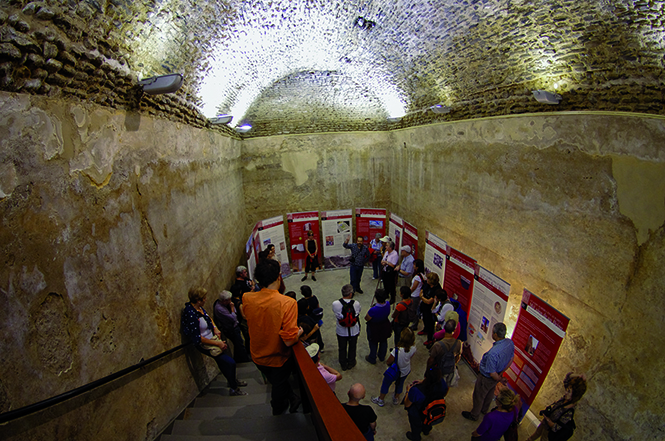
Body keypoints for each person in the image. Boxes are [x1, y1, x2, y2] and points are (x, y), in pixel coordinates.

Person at [243, 258, 303, 415]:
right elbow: (290, 340)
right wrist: (300, 332)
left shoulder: (247, 298)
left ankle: (292, 397)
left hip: (257, 354)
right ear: (279, 276)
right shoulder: (287, 303)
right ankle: (278, 409)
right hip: (277, 357)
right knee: (278, 385)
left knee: (277, 381)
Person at [181, 287, 248, 396]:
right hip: (206, 343)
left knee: (222, 362)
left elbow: (208, 318)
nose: (206, 300)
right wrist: (218, 343)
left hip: (213, 338)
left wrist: (215, 328)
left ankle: (232, 381)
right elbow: (197, 337)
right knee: (230, 363)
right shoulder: (190, 313)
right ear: (198, 300)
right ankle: (234, 388)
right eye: (204, 298)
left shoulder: (199, 308)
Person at [462, 322, 515, 421]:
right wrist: (501, 373)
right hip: (497, 374)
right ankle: (484, 410)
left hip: (486, 378)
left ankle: (474, 415)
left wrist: (499, 378)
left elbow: (492, 373)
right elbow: (511, 359)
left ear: (495, 334)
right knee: (489, 393)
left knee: (479, 395)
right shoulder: (509, 343)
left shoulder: (492, 354)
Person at [525, 373, 587, 441]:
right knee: (535, 434)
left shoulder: (569, 412)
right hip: (544, 424)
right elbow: (567, 378)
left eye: (569, 391)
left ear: (574, 395)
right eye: (567, 389)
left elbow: (556, 427)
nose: (566, 392)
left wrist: (547, 418)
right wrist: (578, 376)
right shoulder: (566, 398)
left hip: (548, 433)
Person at [371, 328, 416, 407]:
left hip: (394, 371)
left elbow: (389, 361)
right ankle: (396, 398)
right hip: (405, 370)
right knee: (400, 384)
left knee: (386, 384)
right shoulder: (413, 348)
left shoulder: (397, 351)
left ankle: (381, 400)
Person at [404, 366, 449, 441]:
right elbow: (444, 393)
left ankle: (415, 437)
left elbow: (407, 404)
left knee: (416, 425)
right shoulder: (442, 383)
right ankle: (426, 431)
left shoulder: (416, 390)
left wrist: (408, 391)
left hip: (417, 413)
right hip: (431, 411)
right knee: (428, 422)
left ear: (425, 377)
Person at [213, 290, 250, 362]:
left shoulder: (226, 305)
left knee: (237, 343)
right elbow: (233, 318)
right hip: (231, 329)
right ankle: (245, 359)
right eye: (229, 300)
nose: (230, 301)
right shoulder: (219, 308)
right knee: (239, 343)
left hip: (234, 326)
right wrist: (232, 308)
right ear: (224, 300)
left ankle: (237, 359)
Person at [332, 284, 362, 370]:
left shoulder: (335, 304)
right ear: (350, 294)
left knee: (342, 347)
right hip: (354, 330)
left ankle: (343, 364)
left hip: (341, 331)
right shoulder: (356, 303)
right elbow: (358, 312)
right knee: (352, 347)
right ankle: (351, 362)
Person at [427, 319, 462, 386]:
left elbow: (431, 360)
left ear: (444, 328)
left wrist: (428, 371)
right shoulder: (458, 343)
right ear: (454, 330)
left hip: (437, 370)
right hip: (450, 370)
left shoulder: (437, 345)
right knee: (446, 385)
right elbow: (458, 357)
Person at [229, 265, 254, 356]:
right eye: (244, 272)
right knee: (248, 337)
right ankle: (249, 352)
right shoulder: (239, 303)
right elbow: (243, 316)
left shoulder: (235, 301)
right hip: (243, 323)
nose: (246, 273)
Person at [364, 289, 392, 364]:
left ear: (376, 298)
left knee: (373, 342)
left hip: (374, 328)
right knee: (383, 341)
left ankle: (372, 358)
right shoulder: (388, 304)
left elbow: (367, 318)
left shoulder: (373, 310)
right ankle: (382, 356)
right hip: (384, 325)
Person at [419, 270, 437, 344]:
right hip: (424, 306)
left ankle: (430, 339)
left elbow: (429, 301)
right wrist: (423, 298)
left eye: (428, 279)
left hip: (430, 310)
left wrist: (422, 297)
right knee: (424, 319)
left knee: (430, 324)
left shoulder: (436, 289)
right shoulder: (427, 284)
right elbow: (422, 290)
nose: (427, 280)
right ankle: (425, 329)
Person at [409, 258, 425, 331]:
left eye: (414, 265)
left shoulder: (417, 277)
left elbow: (413, 288)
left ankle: (415, 324)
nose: (413, 266)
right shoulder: (422, 275)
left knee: (414, 310)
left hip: (415, 295)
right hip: (417, 295)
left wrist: (408, 292)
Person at [381, 240, 399, 304]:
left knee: (391, 285)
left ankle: (392, 298)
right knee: (385, 283)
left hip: (391, 272)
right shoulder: (386, 252)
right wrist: (383, 263)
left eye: (387, 246)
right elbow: (383, 260)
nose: (385, 247)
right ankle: (386, 294)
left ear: (390, 247)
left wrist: (386, 262)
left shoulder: (395, 254)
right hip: (385, 270)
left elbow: (393, 265)